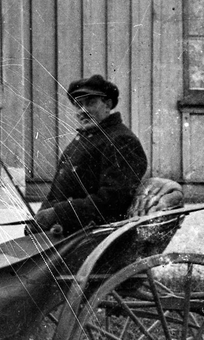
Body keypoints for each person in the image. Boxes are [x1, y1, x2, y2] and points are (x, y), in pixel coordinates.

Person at [33, 74, 148, 237]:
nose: (83, 111)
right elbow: (57, 192)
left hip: (97, 234)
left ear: (107, 105)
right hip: (66, 230)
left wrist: (58, 213)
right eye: (79, 105)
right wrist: (40, 219)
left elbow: (113, 200)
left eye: (90, 103)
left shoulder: (121, 140)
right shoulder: (84, 139)